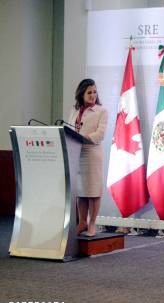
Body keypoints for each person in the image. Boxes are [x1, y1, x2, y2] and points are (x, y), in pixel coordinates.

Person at [69, 79, 108, 237]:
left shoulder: (101, 111)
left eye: (94, 92)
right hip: (76, 152)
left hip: (92, 153)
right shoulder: (75, 110)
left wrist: (82, 137)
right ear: (82, 94)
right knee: (81, 190)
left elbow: (100, 134)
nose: (93, 95)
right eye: (89, 92)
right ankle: (82, 222)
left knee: (93, 191)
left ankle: (92, 224)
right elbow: (71, 128)